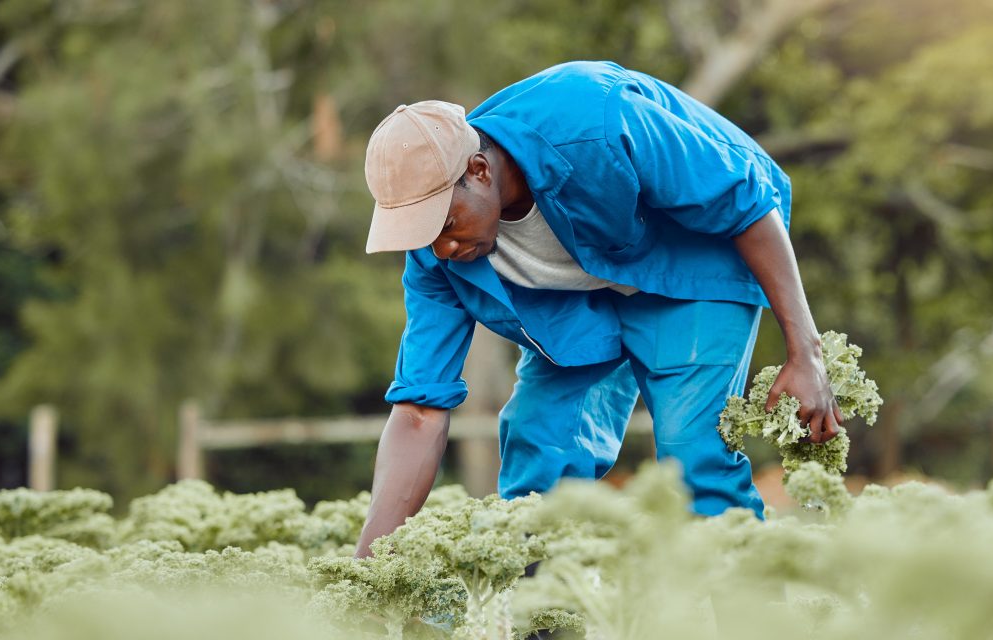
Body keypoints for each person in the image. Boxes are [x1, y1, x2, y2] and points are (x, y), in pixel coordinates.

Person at [354, 61, 843, 558]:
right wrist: (369, 568)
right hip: (580, 305)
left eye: (445, 224)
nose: (440, 249)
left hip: (692, 265)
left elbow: (745, 201)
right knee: (538, 454)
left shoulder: (593, 124)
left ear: (478, 171)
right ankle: (548, 626)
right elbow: (418, 410)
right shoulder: (433, 253)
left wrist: (807, 353)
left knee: (694, 461)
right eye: (421, 233)